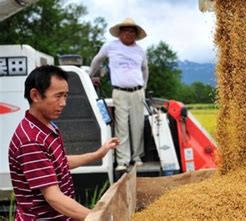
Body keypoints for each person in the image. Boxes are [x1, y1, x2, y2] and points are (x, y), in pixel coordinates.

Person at [8, 65, 120, 220]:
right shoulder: (31, 140)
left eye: (65, 96)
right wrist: (100, 217)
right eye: (58, 96)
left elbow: (58, 163)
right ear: (35, 95)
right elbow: (54, 197)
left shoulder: (47, 126)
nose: (63, 103)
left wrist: (97, 154)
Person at [89, 17, 149, 170]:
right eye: (126, 31)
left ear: (136, 34)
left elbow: (144, 69)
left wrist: (144, 87)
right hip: (120, 91)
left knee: (138, 125)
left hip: (137, 91)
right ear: (120, 33)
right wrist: (90, 76)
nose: (129, 34)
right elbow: (97, 60)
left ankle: (137, 157)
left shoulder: (140, 50)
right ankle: (123, 160)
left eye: (132, 31)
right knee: (121, 125)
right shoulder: (110, 46)